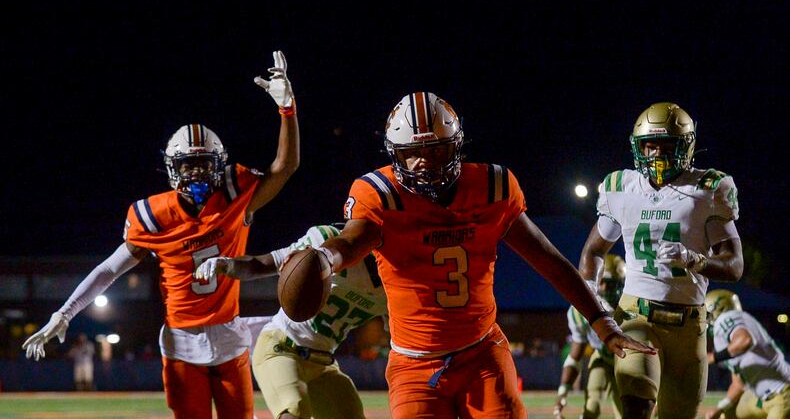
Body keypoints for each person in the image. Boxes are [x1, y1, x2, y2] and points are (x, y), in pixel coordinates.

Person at [287, 92, 655, 419]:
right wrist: (325, 258)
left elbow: (549, 260)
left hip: (482, 355)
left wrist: (601, 322)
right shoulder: (380, 195)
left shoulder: (491, 187)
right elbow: (352, 240)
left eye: (435, 150)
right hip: (414, 364)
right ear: (394, 154)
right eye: (411, 153)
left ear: (456, 146)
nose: (423, 162)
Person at [21, 50, 300, 419]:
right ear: (172, 169)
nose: (196, 174)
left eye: (204, 164)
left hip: (230, 336)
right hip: (181, 343)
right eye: (188, 165)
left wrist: (287, 110)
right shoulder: (152, 216)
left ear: (219, 166)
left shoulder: (236, 195)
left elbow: (285, 167)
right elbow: (109, 269)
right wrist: (65, 313)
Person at [578, 102, 744, 419]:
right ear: (637, 147)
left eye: (666, 146)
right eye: (649, 146)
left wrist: (696, 261)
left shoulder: (707, 189)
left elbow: (734, 266)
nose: (656, 154)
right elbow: (593, 251)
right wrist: (592, 298)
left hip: (689, 324)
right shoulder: (622, 187)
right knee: (636, 404)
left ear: (686, 146)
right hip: (636, 316)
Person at [195, 223, 386, 419]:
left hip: (323, 363)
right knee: (293, 412)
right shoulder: (326, 242)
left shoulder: (396, 285)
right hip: (281, 348)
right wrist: (227, 265)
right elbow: (262, 263)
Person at [553, 254, 626, 419]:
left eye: (611, 283)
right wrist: (563, 391)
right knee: (591, 407)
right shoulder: (581, 311)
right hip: (602, 357)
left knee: (628, 412)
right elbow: (575, 356)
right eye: (602, 282)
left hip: (627, 360)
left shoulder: (632, 309)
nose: (605, 288)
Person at [705, 289, 790, 419]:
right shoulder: (734, 337)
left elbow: (745, 340)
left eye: (708, 314)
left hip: (782, 395)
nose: (707, 319)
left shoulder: (726, 318)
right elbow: (738, 385)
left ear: (719, 308)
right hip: (760, 398)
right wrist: (719, 408)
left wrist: (712, 357)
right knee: (727, 413)